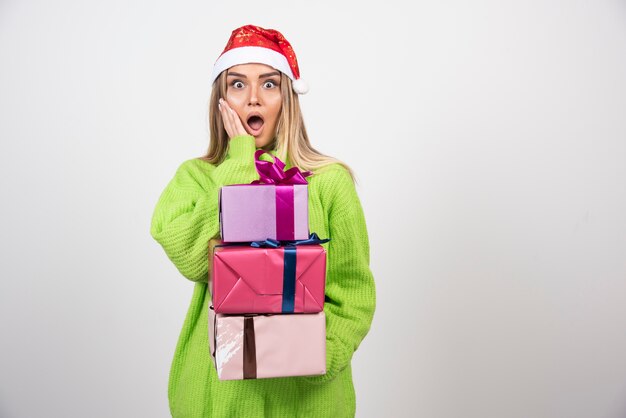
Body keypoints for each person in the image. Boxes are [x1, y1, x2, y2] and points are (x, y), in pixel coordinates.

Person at [150, 24, 376, 418]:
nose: (253, 97)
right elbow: (191, 258)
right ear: (221, 100)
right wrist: (237, 164)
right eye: (237, 85)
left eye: (269, 85)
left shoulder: (329, 182)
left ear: (287, 98)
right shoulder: (196, 178)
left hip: (308, 401)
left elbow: (353, 292)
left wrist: (314, 354)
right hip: (219, 401)